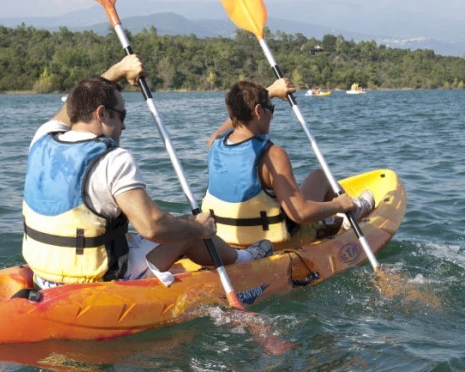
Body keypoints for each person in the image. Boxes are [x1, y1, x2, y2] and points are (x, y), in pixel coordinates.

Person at [22, 55, 273, 289]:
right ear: (101, 114)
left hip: (44, 276)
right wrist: (199, 228)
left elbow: (79, 100)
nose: (124, 125)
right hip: (99, 281)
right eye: (122, 115)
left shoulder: (42, 137)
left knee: (162, 226)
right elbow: (152, 227)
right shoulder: (113, 159)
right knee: (190, 229)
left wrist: (119, 70)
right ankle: (246, 258)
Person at [202, 79, 374, 251]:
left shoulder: (214, 144)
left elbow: (230, 122)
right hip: (276, 243)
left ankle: (330, 219)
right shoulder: (272, 155)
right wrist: (339, 205)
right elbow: (299, 214)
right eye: (271, 108)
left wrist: (271, 92)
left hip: (228, 242)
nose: (272, 114)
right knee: (320, 176)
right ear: (258, 111)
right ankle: (351, 211)